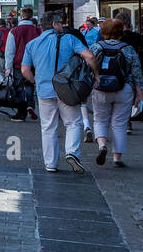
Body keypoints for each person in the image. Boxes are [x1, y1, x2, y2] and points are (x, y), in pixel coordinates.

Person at [21, 11, 98, 174]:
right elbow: (90, 57)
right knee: (73, 123)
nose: (63, 26)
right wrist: (96, 75)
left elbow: (25, 70)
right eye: (61, 23)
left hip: (44, 90)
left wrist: (36, 81)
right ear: (55, 24)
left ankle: (50, 164)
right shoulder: (70, 39)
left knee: (48, 127)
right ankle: (72, 153)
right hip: (67, 89)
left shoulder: (32, 44)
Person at [88, 18, 143, 167]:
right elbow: (137, 72)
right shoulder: (128, 48)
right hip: (124, 88)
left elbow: (87, 67)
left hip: (100, 88)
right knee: (119, 124)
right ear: (121, 31)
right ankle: (117, 158)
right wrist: (140, 93)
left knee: (100, 119)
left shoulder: (95, 47)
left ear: (103, 31)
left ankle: (102, 145)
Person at [4, 7, 42, 122]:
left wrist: (8, 67)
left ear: (21, 17)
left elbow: (10, 51)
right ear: (32, 17)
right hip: (34, 63)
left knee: (19, 87)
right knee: (30, 84)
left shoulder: (14, 31)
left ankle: (21, 112)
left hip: (18, 63)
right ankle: (30, 105)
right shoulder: (38, 31)